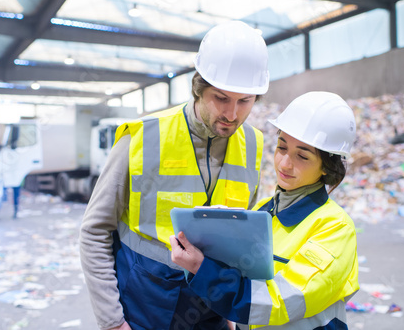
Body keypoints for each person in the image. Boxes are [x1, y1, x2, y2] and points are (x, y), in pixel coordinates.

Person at [80, 20, 270, 330]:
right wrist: (112, 322)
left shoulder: (253, 145)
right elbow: (94, 231)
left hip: (211, 313)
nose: (232, 114)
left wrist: (233, 315)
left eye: (244, 101)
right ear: (198, 88)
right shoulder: (142, 138)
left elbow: (242, 242)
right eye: (221, 98)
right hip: (142, 309)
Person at [170, 91, 359, 329]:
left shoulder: (335, 227)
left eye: (302, 156)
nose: (285, 163)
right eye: (282, 147)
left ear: (326, 167)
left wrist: (202, 268)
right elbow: (243, 277)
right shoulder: (263, 212)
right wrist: (212, 236)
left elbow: (279, 301)